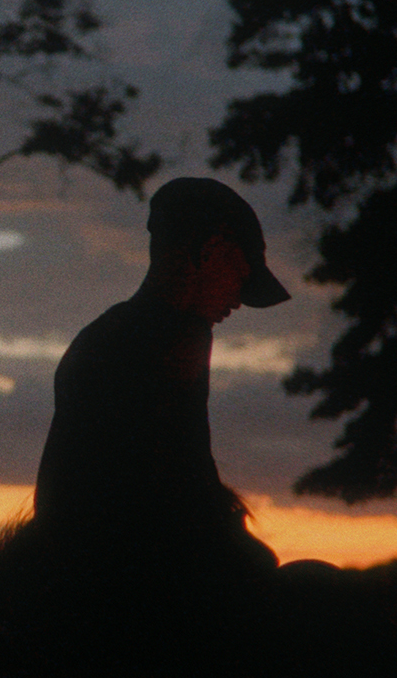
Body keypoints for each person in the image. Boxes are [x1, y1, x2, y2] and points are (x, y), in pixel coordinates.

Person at [32, 176, 289, 583]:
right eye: (239, 272)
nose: (238, 297)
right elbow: (183, 479)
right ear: (210, 252)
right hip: (126, 571)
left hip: (74, 561)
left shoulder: (106, 332)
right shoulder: (179, 336)